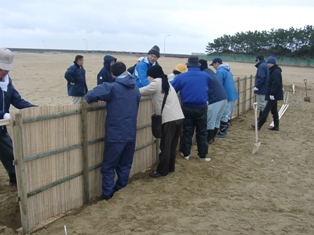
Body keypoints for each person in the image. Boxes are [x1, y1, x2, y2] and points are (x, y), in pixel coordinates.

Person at [85, 62, 141, 200]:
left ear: (112, 74)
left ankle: (108, 196)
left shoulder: (111, 87)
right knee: (125, 165)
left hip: (116, 134)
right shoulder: (135, 89)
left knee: (108, 167)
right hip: (130, 133)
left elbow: (90, 96)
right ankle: (120, 191)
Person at [139, 65, 184, 178]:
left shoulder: (156, 83)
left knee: (165, 146)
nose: (148, 78)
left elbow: (142, 91)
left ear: (151, 75)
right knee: (172, 145)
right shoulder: (166, 82)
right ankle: (170, 167)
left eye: (148, 76)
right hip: (178, 117)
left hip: (169, 119)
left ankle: (162, 171)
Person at [0, 48, 36, 186]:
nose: (4, 73)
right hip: (3, 119)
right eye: (2, 69)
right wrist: (5, 114)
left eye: (6, 70)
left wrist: (33, 108)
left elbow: (17, 101)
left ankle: (15, 180)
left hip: (1, 129)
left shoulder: (7, 82)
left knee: (10, 154)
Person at [171, 56, 211, 161]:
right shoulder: (205, 76)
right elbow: (210, 85)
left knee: (187, 131)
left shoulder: (181, 77)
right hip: (201, 107)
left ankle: (186, 154)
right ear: (198, 65)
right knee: (202, 131)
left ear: (188, 65)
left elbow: (172, 89)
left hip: (187, 107)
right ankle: (202, 155)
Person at [199, 59, 227, 144]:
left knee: (211, 120)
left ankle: (208, 139)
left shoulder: (203, 74)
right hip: (223, 98)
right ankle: (212, 137)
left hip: (215, 99)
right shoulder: (210, 71)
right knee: (217, 120)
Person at [252, 56, 283, 131]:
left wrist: (272, 94)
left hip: (274, 94)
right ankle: (276, 126)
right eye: (268, 63)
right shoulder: (273, 70)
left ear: (274, 64)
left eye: (270, 63)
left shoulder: (275, 72)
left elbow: (276, 83)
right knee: (274, 110)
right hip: (274, 94)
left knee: (266, 110)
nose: (269, 64)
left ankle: (259, 125)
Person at [210, 58, 238, 138]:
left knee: (224, 114)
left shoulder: (220, 71)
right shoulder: (228, 70)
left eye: (213, 65)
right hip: (232, 94)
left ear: (217, 63)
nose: (214, 67)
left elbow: (218, 84)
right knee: (228, 113)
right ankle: (225, 129)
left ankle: (222, 131)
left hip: (226, 95)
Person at [253, 54, 269, 121]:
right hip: (265, 87)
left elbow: (261, 77)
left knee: (261, 103)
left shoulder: (261, 66)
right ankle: (261, 117)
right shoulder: (265, 65)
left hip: (262, 88)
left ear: (258, 60)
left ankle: (262, 118)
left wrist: (257, 86)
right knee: (262, 103)